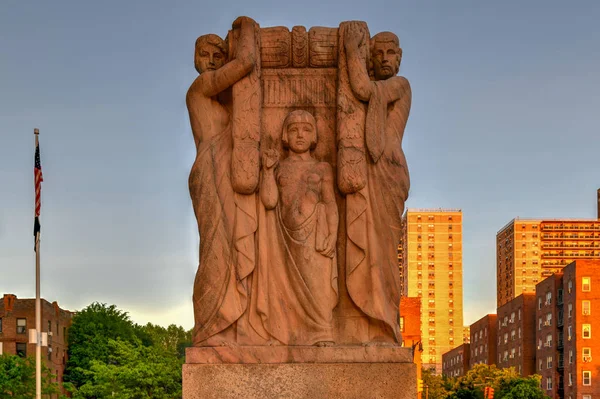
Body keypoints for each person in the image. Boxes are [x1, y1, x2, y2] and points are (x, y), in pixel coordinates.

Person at [186, 16, 259, 346]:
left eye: (219, 56)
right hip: (210, 170)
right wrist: (246, 29)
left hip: (227, 171)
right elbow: (246, 63)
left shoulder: (226, 99)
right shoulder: (200, 88)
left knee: (232, 245)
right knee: (215, 248)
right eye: (207, 55)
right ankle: (211, 323)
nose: (213, 62)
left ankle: (236, 317)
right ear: (196, 58)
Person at [342, 23, 412, 343]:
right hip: (369, 168)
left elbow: (362, 89)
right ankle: (365, 313)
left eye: (390, 52)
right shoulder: (377, 93)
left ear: (399, 58)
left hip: (388, 170)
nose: (384, 58)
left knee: (383, 251)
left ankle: (384, 319)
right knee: (366, 244)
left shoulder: (399, 85)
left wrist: (351, 50)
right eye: (377, 52)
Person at [251, 110, 339, 345]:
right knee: (284, 287)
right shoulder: (280, 168)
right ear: (284, 137)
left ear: (314, 137)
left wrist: (332, 233)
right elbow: (269, 201)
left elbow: (330, 202)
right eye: (293, 129)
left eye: (306, 129)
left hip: (315, 237)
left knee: (317, 285)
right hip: (284, 240)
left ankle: (322, 333)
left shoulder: (322, 168)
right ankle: (284, 333)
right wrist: (268, 171)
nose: (300, 134)